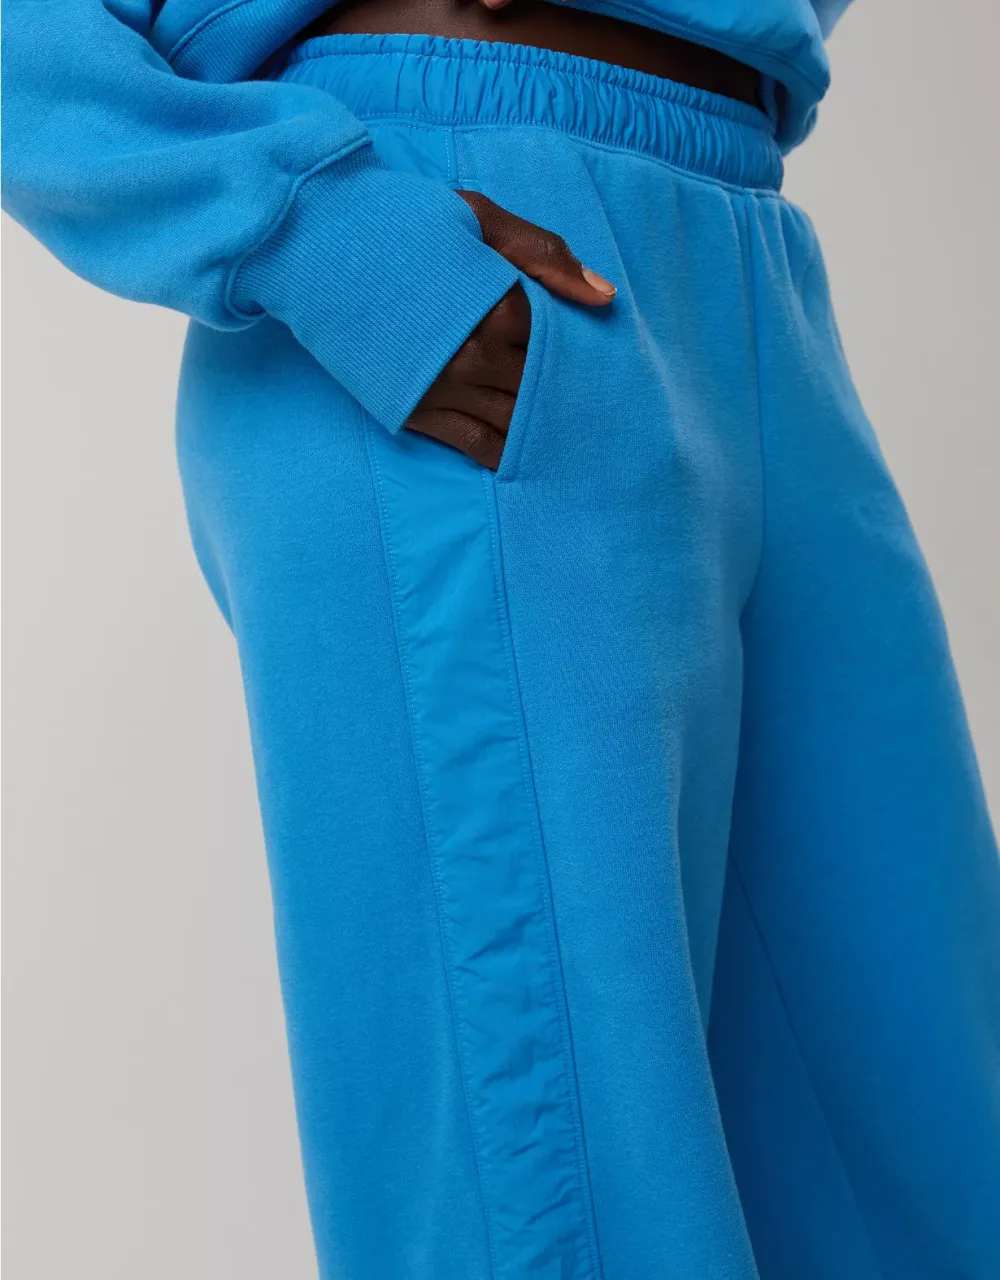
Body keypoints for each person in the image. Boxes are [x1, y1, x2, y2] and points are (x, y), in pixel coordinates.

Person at [4, 0, 999, 1275]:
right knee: (558, 1207)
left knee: (924, 1151)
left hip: (749, 239)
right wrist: (317, 229)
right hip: (451, 240)